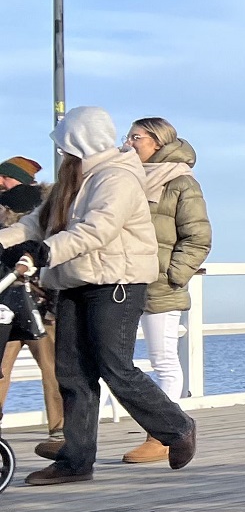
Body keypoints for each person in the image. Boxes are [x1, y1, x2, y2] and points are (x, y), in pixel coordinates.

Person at [0, 107, 197, 485]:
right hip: (75, 281)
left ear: (80, 141)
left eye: (64, 144)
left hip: (117, 282)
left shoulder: (117, 177)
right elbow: (34, 223)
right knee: (71, 372)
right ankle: (75, 461)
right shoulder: (71, 178)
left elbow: (98, 229)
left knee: (114, 366)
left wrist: (46, 253)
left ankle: (177, 427)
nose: (61, 152)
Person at [128, 120, 211, 455]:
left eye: (136, 137)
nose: (130, 142)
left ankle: (164, 436)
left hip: (160, 283)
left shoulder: (180, 182)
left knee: (162, 358)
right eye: (128, 136)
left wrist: (173, 274)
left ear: (157, 141)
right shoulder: (130, 177)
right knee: (115, 359)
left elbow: (198, 236)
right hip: (127, 279)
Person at [0, 156, 61, 443]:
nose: (1, 183)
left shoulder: (48, 208)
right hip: (7, 300)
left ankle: (59, 430)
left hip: (41, 301)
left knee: (52, 369)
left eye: (6, 178)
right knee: (1, 368)